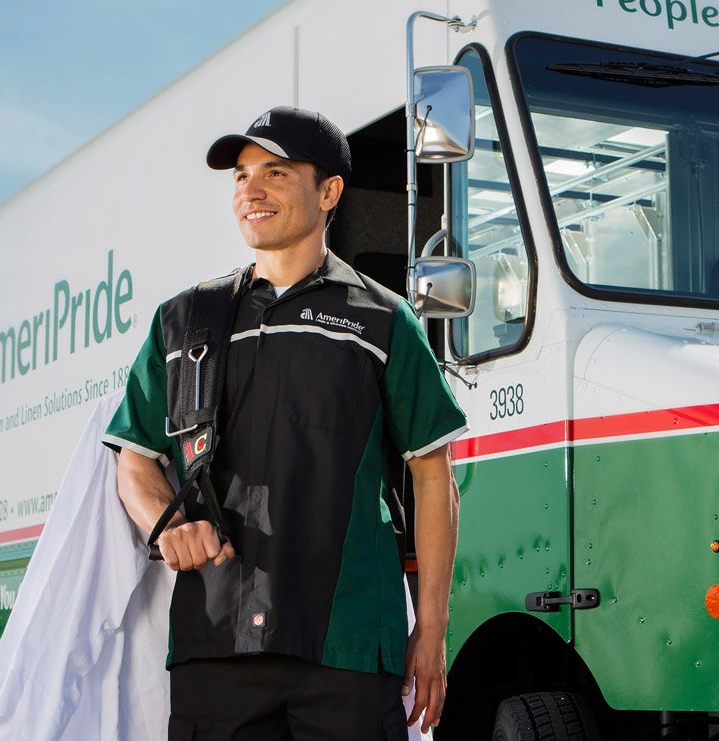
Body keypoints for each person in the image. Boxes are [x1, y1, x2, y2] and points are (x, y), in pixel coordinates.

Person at [105, 105, 465, 740]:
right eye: (241, 176)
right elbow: (134, 458)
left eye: (275, 171)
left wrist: (431, 629)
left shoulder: (384, 320)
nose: (251, 190)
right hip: (216, 642)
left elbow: (433, 478)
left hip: (349, 644)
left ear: (329, 192)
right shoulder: (184, 320)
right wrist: (166, 521)